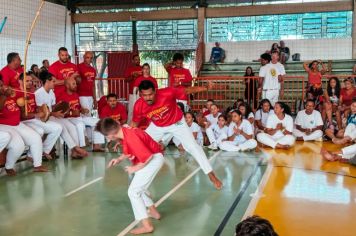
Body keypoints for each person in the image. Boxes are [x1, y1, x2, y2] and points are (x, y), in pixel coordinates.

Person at [131, 80, 222, 189]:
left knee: (193, 147)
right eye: (145, 95)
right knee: (140, 145)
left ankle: (211, 175)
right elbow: (134, 125)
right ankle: (140, 177)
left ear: (155, 91)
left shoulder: (167, 93)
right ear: (140, 94)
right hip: (157, 126)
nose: (148, 98)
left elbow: (187, 90)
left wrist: (205, 88)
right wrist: (126, 138)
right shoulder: (139, 105)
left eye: (150, 94)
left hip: (177, 123)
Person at [96, 118, 164, 235]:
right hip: (152, 157)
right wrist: (118, 159)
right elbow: (130, 150)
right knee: (139, 188)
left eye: (106, 136)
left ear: (110, 136)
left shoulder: (131, 137)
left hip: (152, 159)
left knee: (133, 192)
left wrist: (135, 168)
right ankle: (153, 212)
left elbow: (147, 157)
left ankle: (147, 226)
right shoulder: (125, 130)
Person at [0, 76, 48, 174]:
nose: (2, 87)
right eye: (0, 86)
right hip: (4, 125)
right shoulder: (4, 95)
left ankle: (38, 165)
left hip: (17, 123)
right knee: (18, 146)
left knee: (36, 138)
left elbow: (20, 110)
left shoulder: (8, 92)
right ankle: (8, 167)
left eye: (2, 85)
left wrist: (22, 103)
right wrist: (5, 95)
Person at [35, 71, 88, 159]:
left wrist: (59, 107)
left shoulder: (51, 92)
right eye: (53, 81)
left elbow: (52, 107)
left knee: (71, 127)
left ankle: (74, 151)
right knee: (61, 127)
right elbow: (41, 112)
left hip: (51, 117)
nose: (55, 83)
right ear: (47, 81)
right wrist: (54, 113)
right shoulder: (38, 93)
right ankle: (75, 148)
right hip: (43, 118)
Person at [19, 73, 62, 160]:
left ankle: (43, 151)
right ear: (20, 82)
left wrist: (42, 111)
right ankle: (31, 155)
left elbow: (37, 109)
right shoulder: (19, 94)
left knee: (58, 127)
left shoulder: (31, 93)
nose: (30, 83)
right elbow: (22, 115)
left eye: (31, 81)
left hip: (34, 119)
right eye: (27, 81)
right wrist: (38, 114)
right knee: (40, 131)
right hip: (24, 121)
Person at [57, 77, 105, 152]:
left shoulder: (76, 95)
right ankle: (80, 148)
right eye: (73, 84)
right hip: (68, 119)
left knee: (98, 121)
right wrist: (71, 113)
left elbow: (79, 108)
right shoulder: (61, 97)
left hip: (78, 117)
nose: (76, 85)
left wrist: (83, 110)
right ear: (67, 85)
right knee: (80, 124)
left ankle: (96, 145)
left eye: (75, 83)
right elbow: (60, 114)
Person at [124, 54, 142, 123]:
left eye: (139, 59)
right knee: (131, 110)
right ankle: (129, 126)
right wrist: (132, 76)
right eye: (136, 60)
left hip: (141, 93)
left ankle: (140, 125)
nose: (138, 61)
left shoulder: (142, 68)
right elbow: (126, 80)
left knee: (140, 110)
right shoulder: (129, 69)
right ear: (133, 61)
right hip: (132, 93)